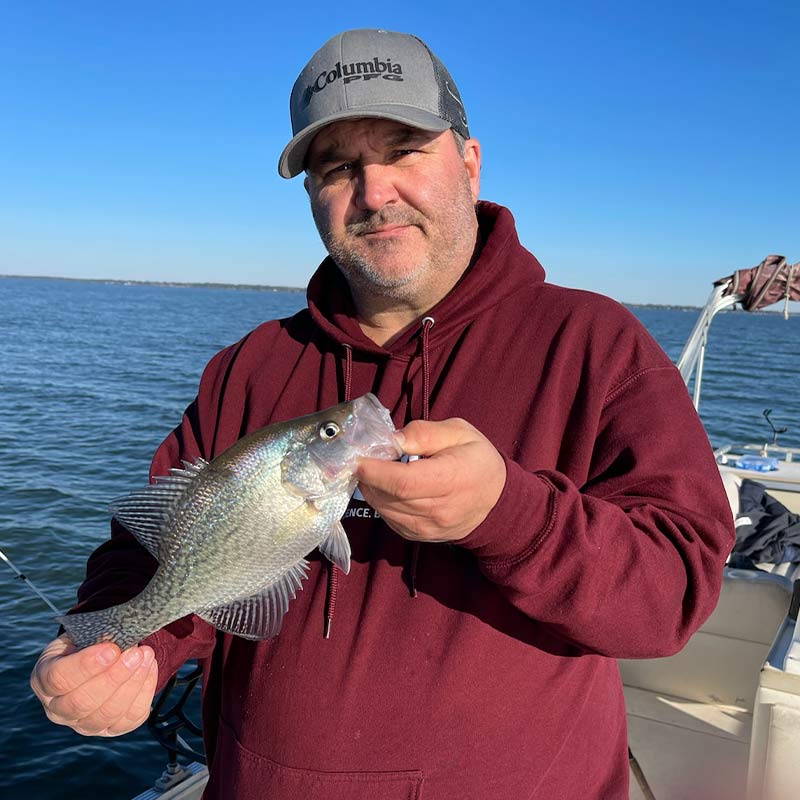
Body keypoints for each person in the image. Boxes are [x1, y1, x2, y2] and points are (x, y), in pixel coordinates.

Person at [31, 28, 735, 799]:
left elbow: (671, 599)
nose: (373, 193)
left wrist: (510, 514)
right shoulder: (247, 366)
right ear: (311, 196)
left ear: (469, 161)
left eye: (404, 150)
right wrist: (123, 648)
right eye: (338, 168)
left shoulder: (596, 343)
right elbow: (157, 549)